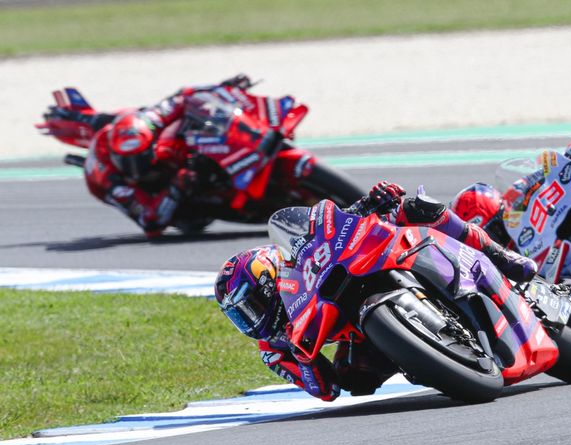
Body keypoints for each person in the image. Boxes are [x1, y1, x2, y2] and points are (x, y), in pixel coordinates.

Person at [214, 181, 538, 401]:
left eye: (251, 306)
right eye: (240, 317)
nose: (252, 320)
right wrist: (304, 359)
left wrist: (370, 202)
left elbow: (332, 229)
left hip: (367, 263)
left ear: (271, 281)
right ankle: (430, 359)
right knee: (354, 379)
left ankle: (499, 255)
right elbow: (325, 391)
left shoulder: (297, 261)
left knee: (413, 207)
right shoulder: (273, 349)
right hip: (359, 332)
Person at [44, 74, 261, 238]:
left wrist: (221, 88)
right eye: (128, 163)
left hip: (135, 133)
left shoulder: (149, 120)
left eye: (139, 159)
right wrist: (177, 186)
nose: (136, 170)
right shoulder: (111, 180)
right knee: (185, 216)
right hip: (135, 190)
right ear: (117, 158)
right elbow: (150, 223)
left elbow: (184, 96)